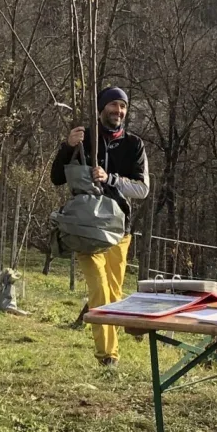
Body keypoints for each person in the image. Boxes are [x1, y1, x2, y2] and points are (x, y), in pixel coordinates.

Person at [50, 85, 149, 367]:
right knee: (99, 287)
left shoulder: (134, 144)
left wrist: (111, 179)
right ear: (101, 108)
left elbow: (142, 189)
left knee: (114, 293)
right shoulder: (83, 138)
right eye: (113, 106)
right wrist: (67, 147)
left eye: (123, 107)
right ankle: (108, 356)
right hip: (85, 228)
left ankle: (113, 341)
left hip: (120, 229)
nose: (118, 111)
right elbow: (57, 178)